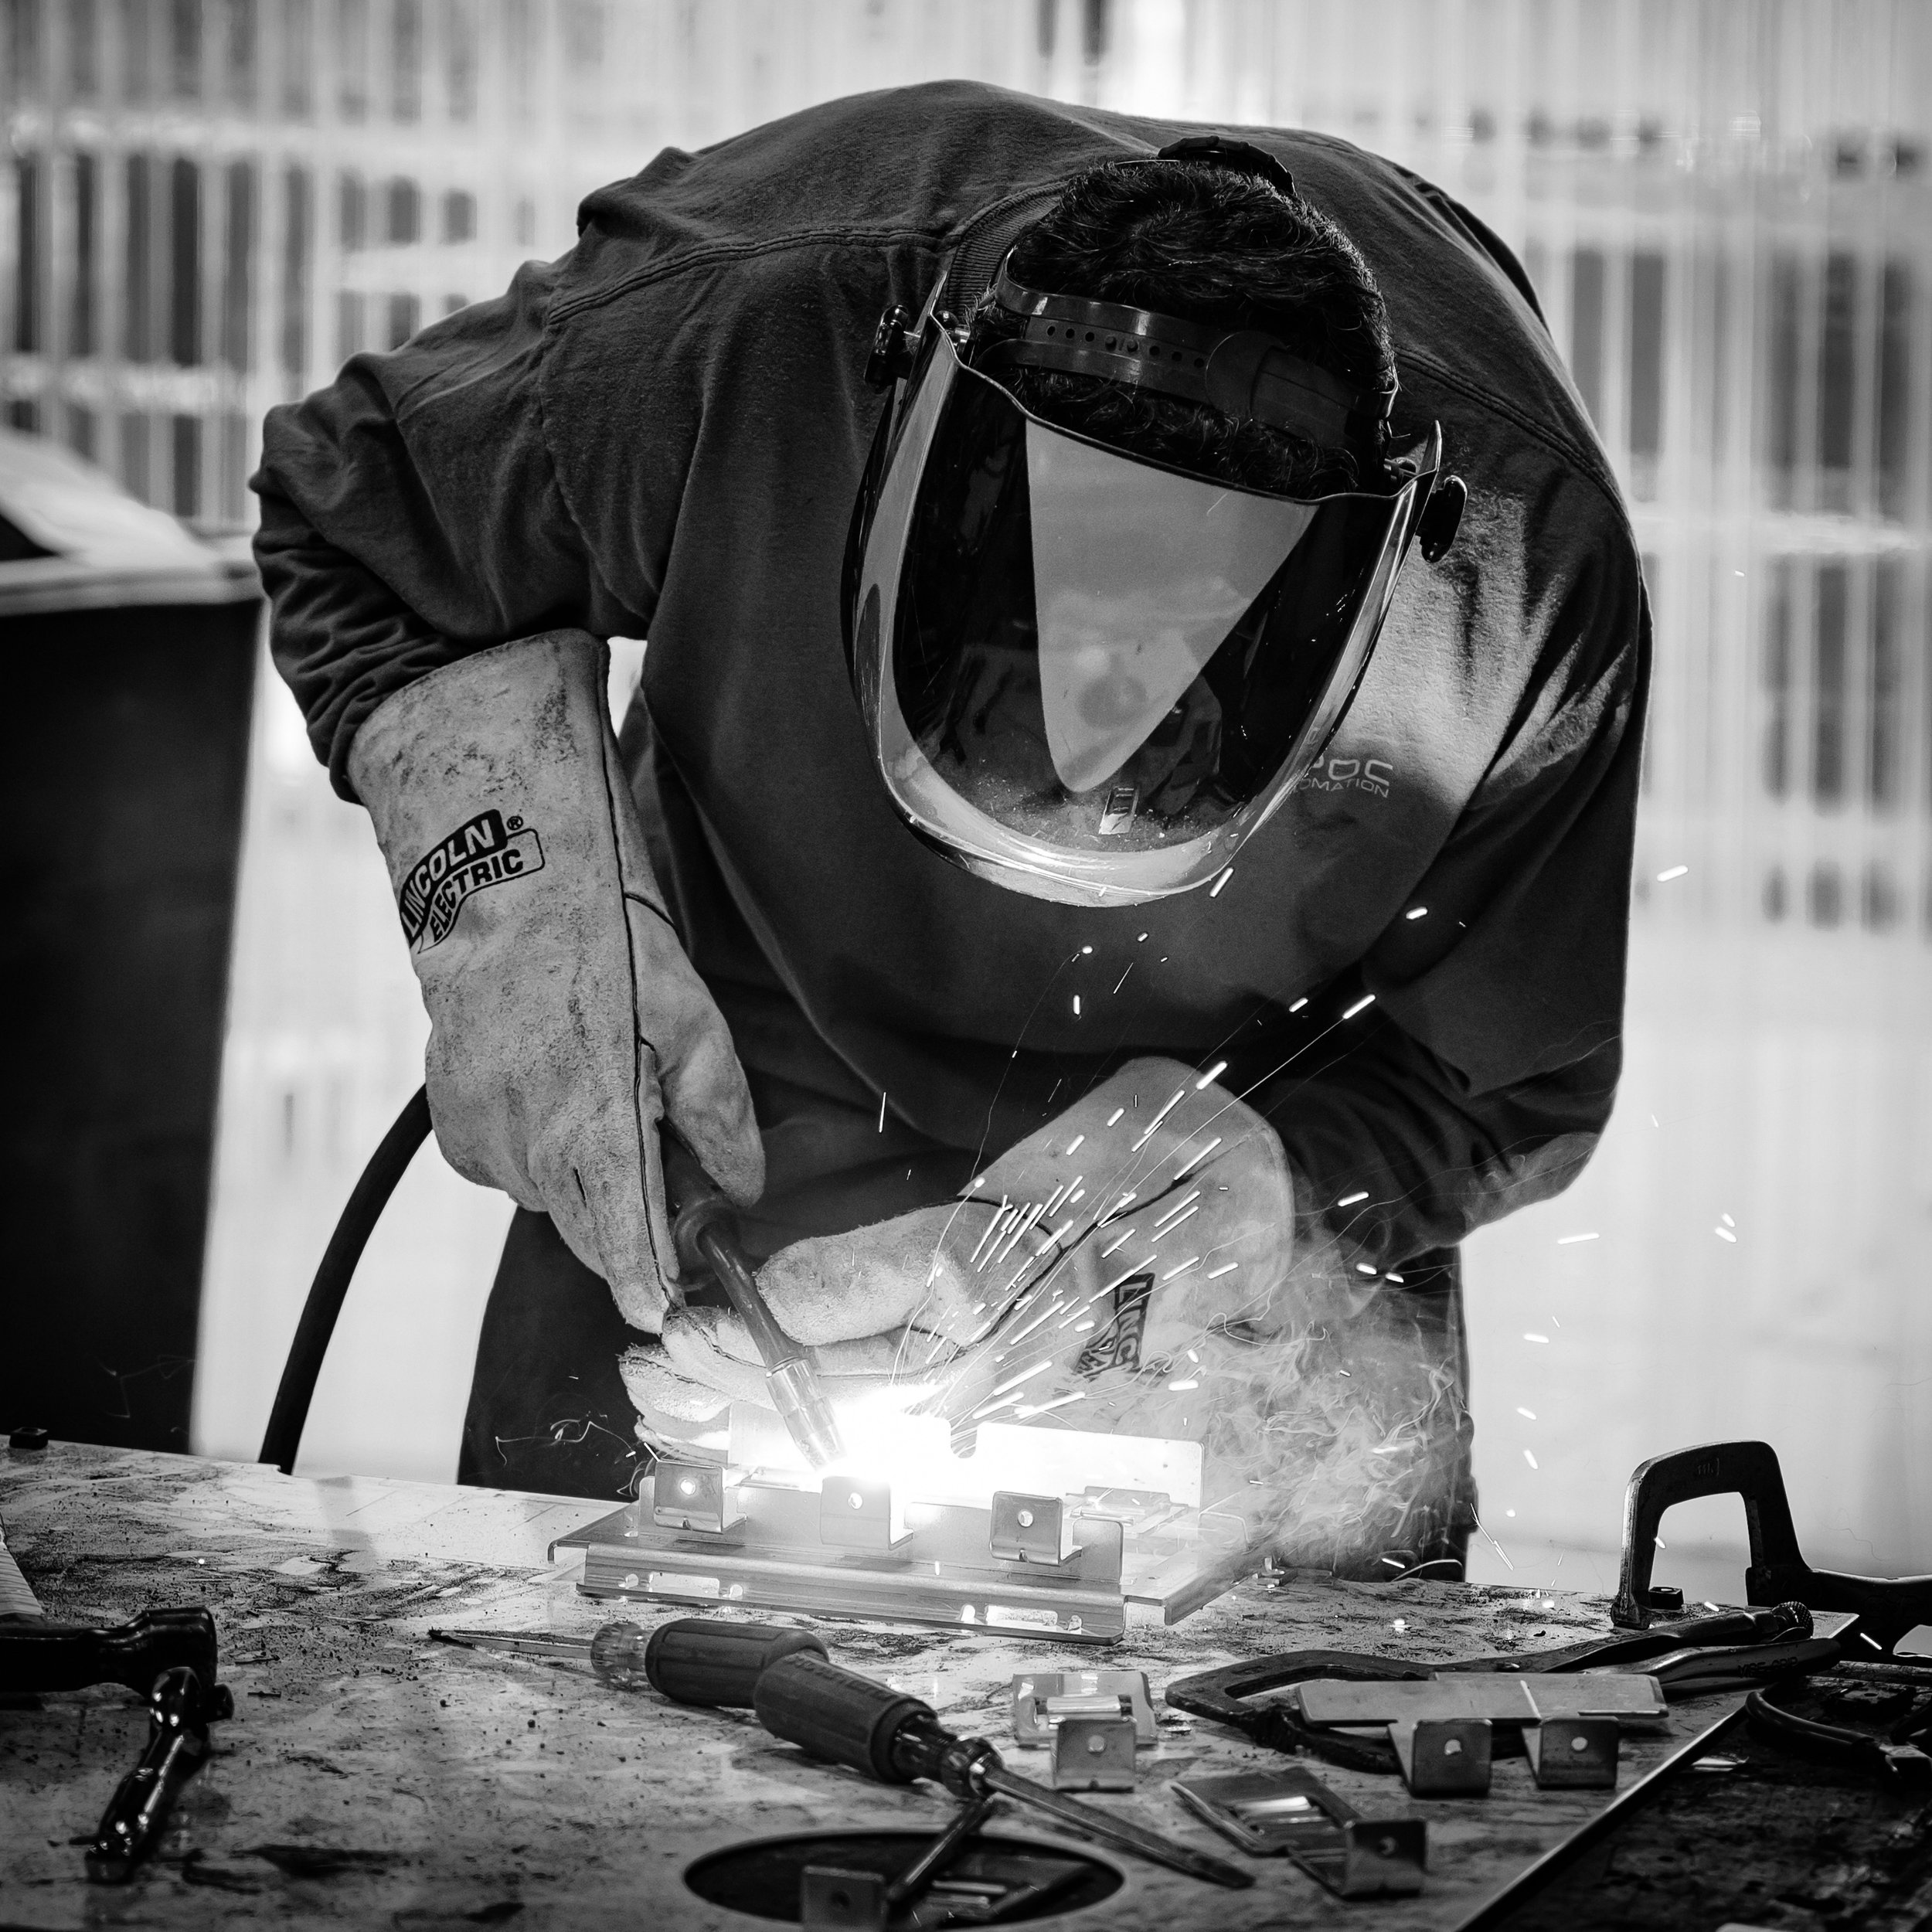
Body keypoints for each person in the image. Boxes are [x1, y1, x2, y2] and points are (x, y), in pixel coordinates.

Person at [254, 82, 1647, 1577]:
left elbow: (1511, 1083)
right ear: (899, 411)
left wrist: (1271, 1180)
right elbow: (360, 514)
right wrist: (516, 917)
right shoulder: (747, 328)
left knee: (1293, 1703)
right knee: (540, 1659)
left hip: (1194, 1215)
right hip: (727, 1116)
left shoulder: (1523, 571)